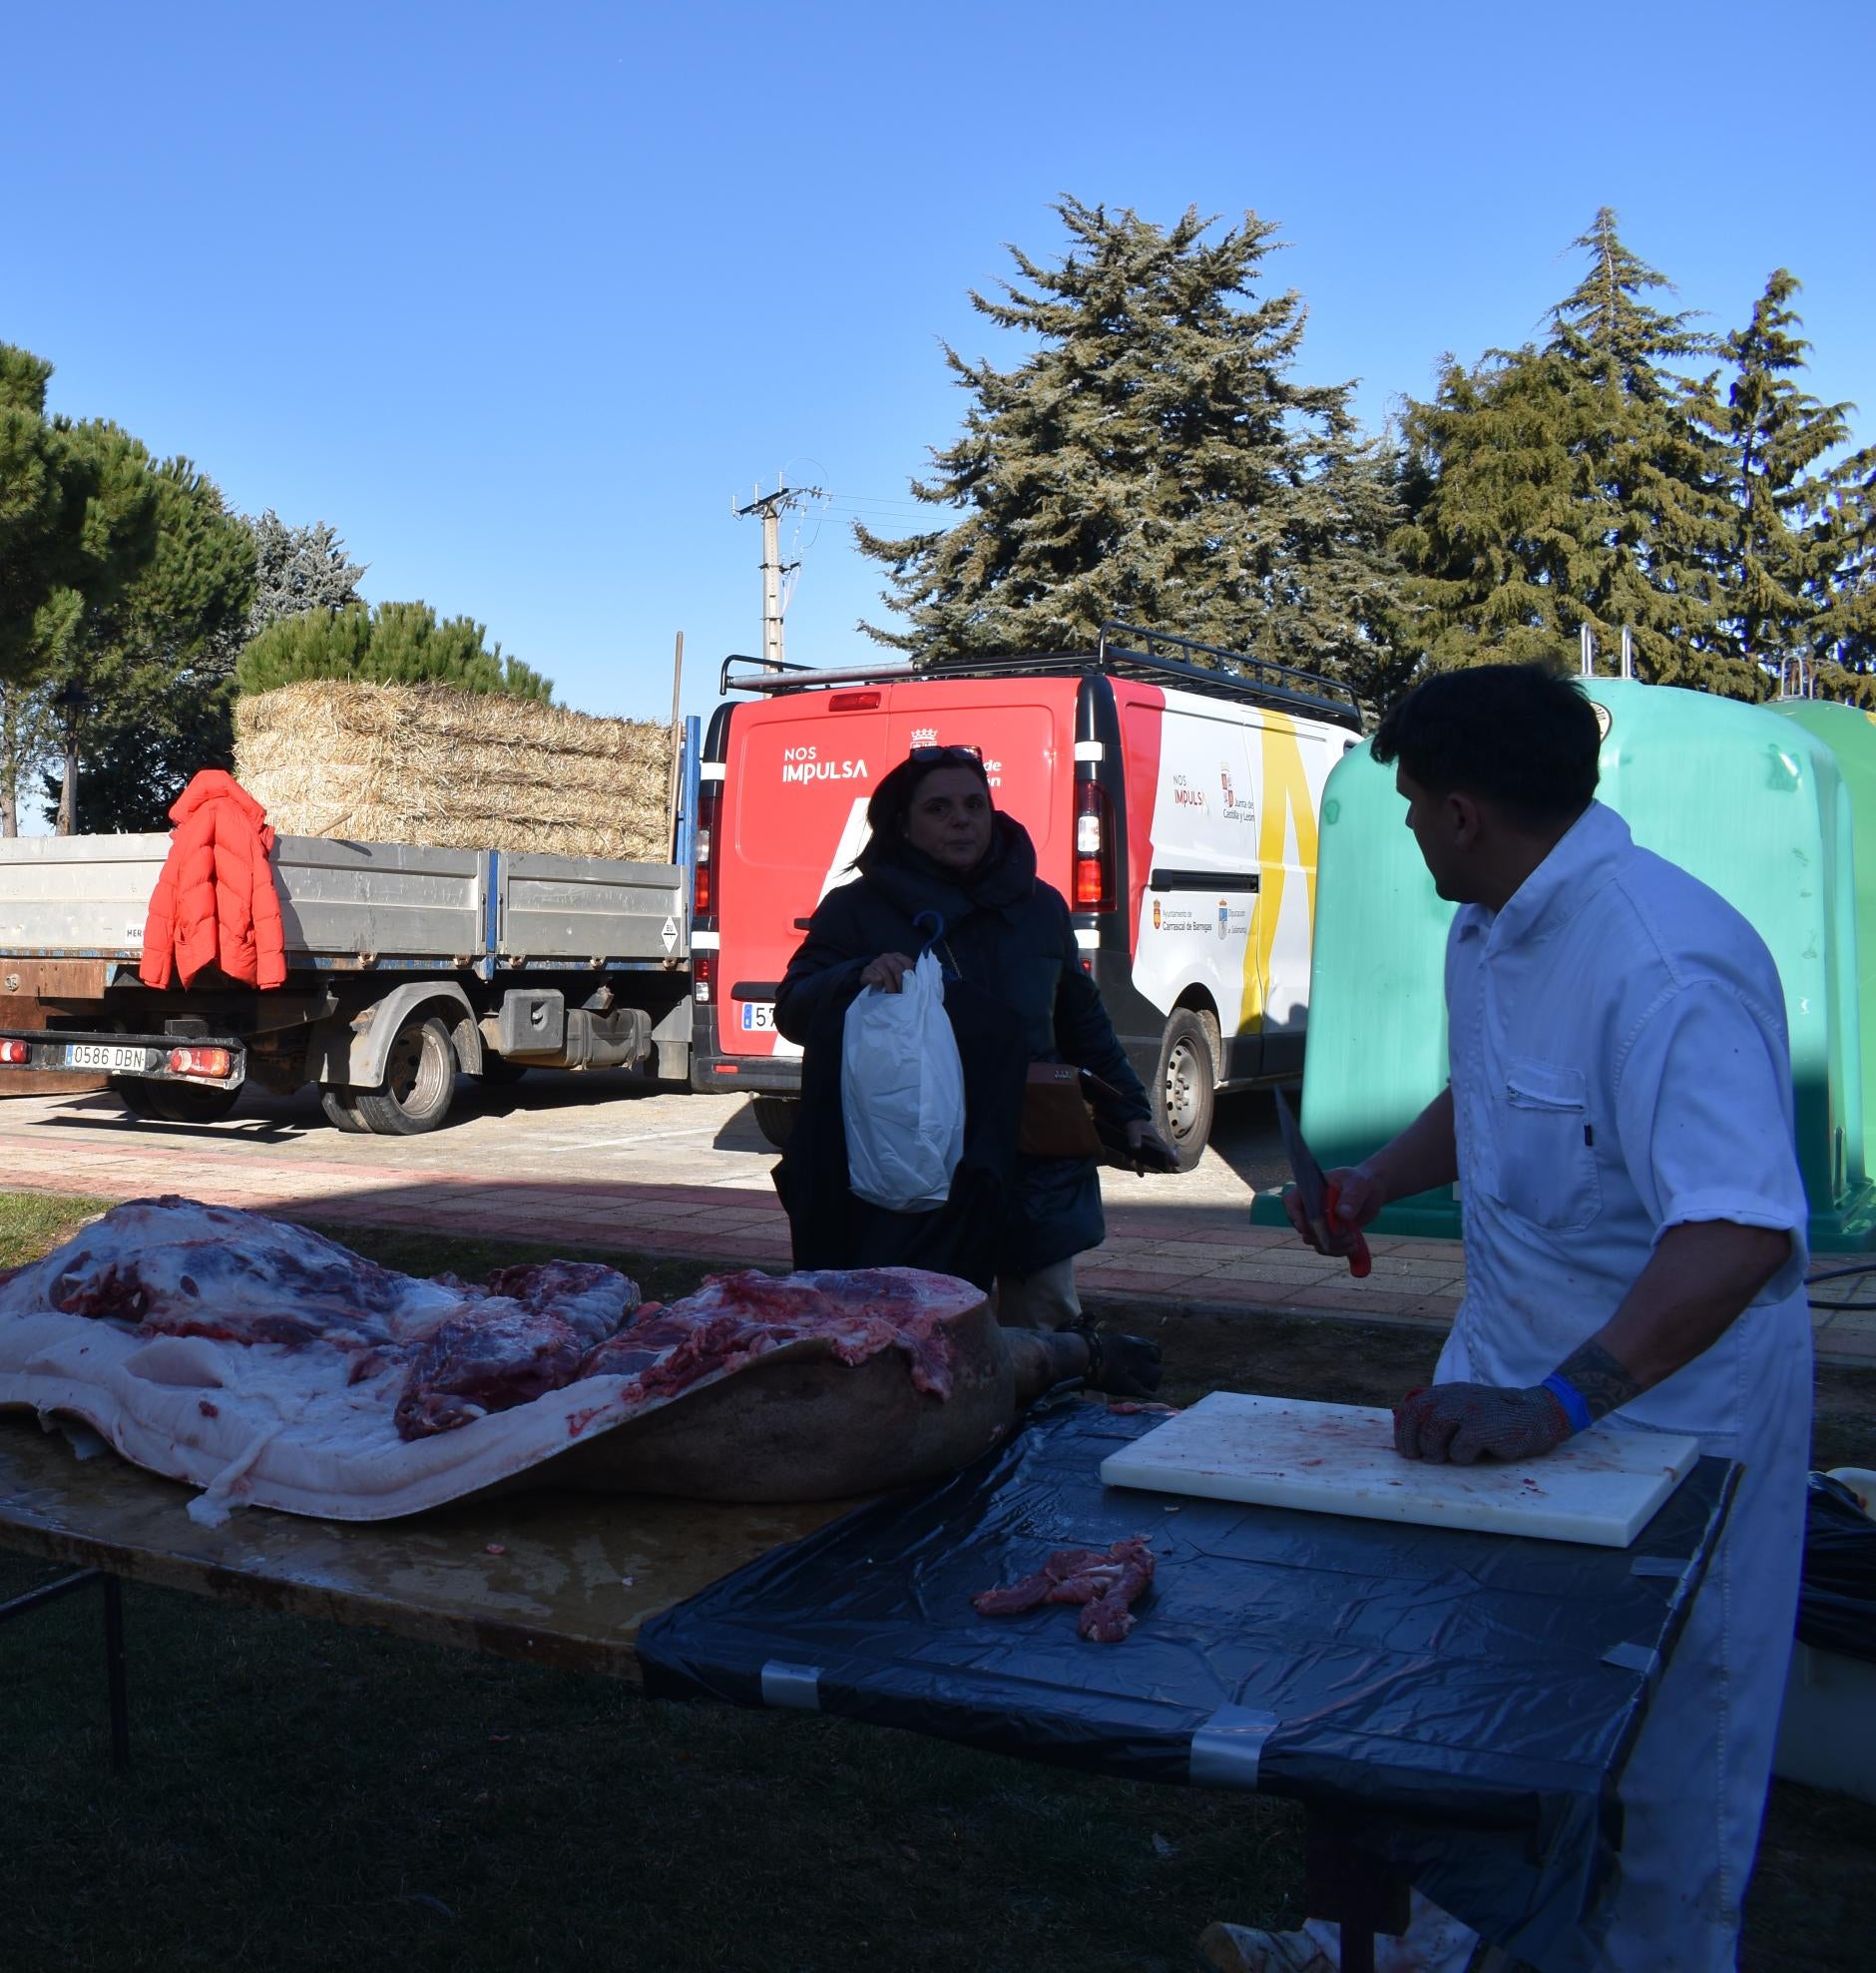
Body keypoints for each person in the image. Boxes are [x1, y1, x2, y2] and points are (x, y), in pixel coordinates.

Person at [1200, 663, 1813, 1973]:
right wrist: (1375, 1179)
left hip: (1679, 1408)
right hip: (1507, 1373)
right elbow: (1492, 1100)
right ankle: (1403, 1951)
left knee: (1677, 1748)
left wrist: (1564, 1400)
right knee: (1454, 1689)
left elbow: (1738, 1229)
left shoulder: (1667, 961)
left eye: (1416, 802)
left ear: (1467, 811)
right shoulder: (1487, 925)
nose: (1410, 826)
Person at [772, 745, 1170, 1320]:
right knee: (925, 1335)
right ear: (903, 826)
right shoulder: (855, 910)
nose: (962, 819)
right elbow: (793, 1009)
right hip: (916, 1164)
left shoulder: (1040, 907)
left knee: (1046, 1330)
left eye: (974, 805)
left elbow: (1081, 1021)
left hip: (1029, 1160)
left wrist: (1130, 1110)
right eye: (939, 808)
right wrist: (852, 978)